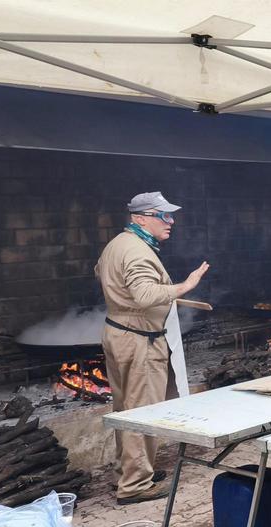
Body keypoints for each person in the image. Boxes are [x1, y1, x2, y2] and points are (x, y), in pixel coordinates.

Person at [95, 191, 209, 505]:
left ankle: (129, 472)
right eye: (164, 215)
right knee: (142, 411)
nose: (170, 221)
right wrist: (184, 287)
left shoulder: (118, 244)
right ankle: (135, 485)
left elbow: (101, 273)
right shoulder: (137, 252)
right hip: (139, 340)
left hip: (120, 333)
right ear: (142, 217)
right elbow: (145, 296)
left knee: (126, 409)